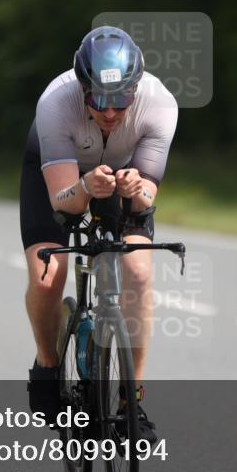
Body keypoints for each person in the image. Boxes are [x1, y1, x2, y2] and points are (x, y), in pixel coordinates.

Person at [20, 26, 178, 443]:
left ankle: (132, 399)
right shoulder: (55, 103)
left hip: (123, 180)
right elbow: (63, 201)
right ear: (83, 88)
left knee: (140, 276)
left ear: (136, 87)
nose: (110, 111)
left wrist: (134, 189)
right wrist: (87, 187)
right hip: (62, 178)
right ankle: (48, 366)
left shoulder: (160, 103)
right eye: (98, 99)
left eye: (122, 98)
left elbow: (147, 197)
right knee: (48, 275)